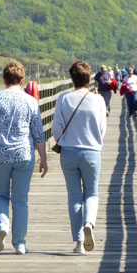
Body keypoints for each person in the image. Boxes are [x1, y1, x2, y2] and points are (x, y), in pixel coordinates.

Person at [0, 60, 47, 255]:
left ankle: (2, 226)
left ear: (4, 79)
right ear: (22, 81)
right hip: (23, 154)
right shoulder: (30, 101)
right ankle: (20, 243)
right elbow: (38, 134)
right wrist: (44, 159)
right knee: (20, 199)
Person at [52, 60, 107, 254]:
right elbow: (102, 128)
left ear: (72, 78)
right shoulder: (98, 100)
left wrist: (64, 139)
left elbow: (56, 129)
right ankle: (89, 224)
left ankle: (78, 243)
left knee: (74, 197)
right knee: (91, 193)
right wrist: (94, 141)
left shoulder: (63, 99)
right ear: (89, 78)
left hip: (68, 152)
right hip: (92, 151)